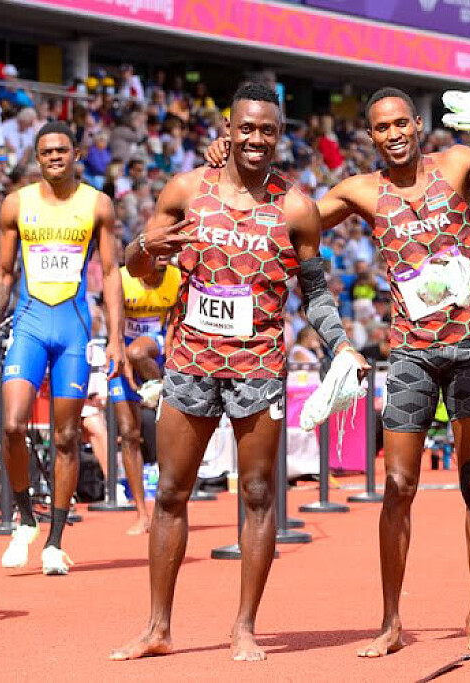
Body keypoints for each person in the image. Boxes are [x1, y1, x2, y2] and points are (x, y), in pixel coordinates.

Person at [206, 79, 470, 656]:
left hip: (469, 345)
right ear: (369, 135)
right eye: (381, 127)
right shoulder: (361, 190)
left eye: (400, 123)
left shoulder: (458, 163)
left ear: (418, 125)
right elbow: (288, 220)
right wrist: (229, 165)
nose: (393, 134)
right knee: (397, 485)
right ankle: (391, 622)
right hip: (410, 352)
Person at [110, 82, 366, 662]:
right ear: (227, 130)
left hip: (259, 365)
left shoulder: (297, 208)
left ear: (280, 136)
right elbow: (138, 268)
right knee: (171, 492)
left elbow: (316, 295)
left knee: (256, 494)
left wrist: (341, 344)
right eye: (246, 128)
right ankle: (157, 627)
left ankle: (245, 626)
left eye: (267, 130)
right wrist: (143, 244)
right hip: (190, 359)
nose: (255, 138)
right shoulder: (185, 190)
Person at [0, 121, 131, 575]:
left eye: (62, 150)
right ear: (37, 158)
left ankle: (54, 542)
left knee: (66, 436)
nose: (55, 157)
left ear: (76, 154)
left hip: (73, 328)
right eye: (47, 152)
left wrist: (116, 338)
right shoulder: (17, 204)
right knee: (11, 424)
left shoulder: (97, 204)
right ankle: (25, 518)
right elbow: (4, 273)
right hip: (28, 323)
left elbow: (111, 272)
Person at [107, 253, 180, 535]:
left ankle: (157, 386)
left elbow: (174, 320)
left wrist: (170, 356)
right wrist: (121, 358)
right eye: (156, 252)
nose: (163, 258)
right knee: (128, 433)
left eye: (167, 253)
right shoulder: (124, 278)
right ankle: (141, 513)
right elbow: (114, 324)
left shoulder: (175, 277)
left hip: (155, 347)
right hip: (122, 349)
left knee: (138, 351)